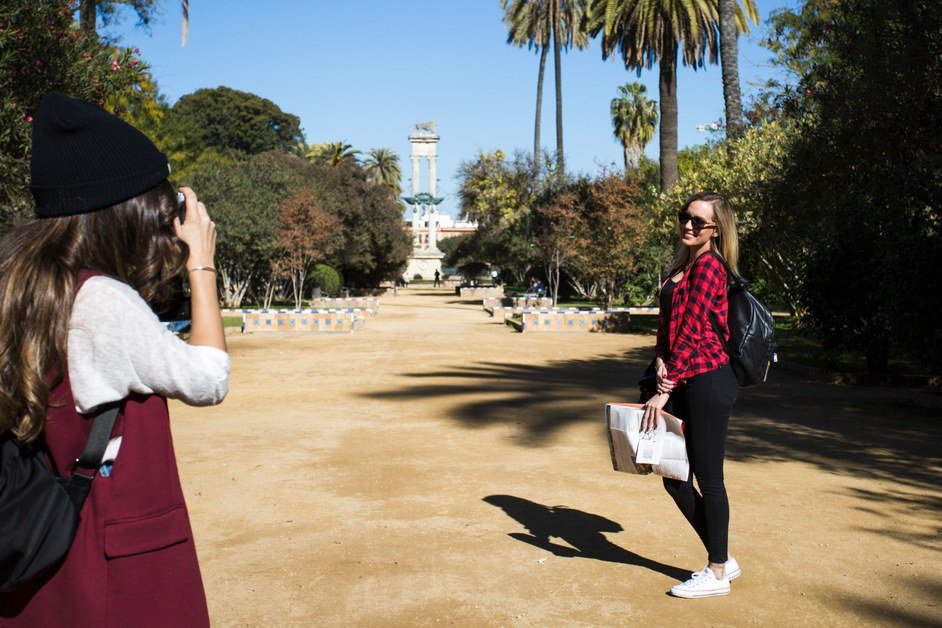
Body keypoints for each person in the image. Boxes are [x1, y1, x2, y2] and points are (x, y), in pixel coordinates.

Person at [0, 93, 229, 624]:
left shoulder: (21, 287)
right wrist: (203, 265)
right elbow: (209, 378)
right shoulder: (102, 299)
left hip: (46, 553)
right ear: (123, 212)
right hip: (115, 552)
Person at [640, 191, 740, 599]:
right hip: (682, 376)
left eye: (698, 221)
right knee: (672, 474)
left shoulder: (711, 268)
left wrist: (663, 391)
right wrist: (661, 361)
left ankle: (717, 571)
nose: (688, 225)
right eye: (685, 217)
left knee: (708, 477)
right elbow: (671, 329)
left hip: (709, 380)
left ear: (716, 231)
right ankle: (723, 556)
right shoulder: (682, 267)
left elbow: (695, 331)